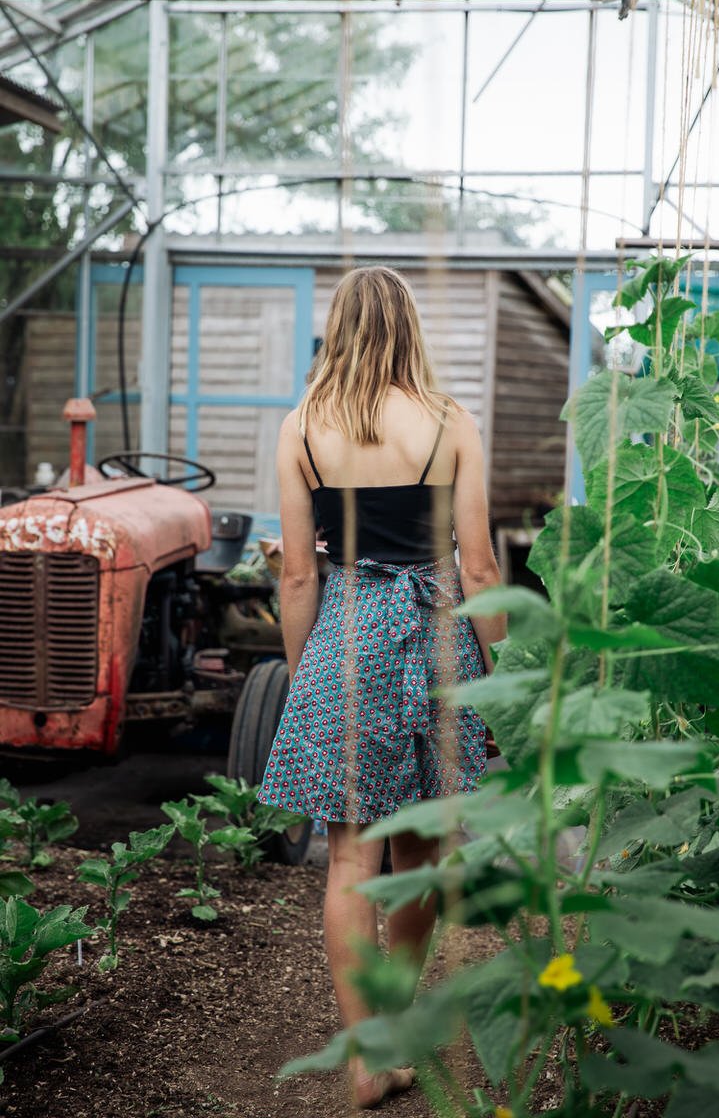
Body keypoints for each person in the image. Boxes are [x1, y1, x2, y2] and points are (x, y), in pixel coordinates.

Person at [256, 265, 505, 1109]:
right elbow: (477, 567)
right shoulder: (452, 422)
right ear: (409, 327)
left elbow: (296, 576)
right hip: (438, 637)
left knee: (350, 860)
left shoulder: (300, 428)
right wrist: (500, 682)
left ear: (341, 327)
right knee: (427, 855)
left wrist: (307, 676)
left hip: (345, 641)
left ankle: (367, 1057)